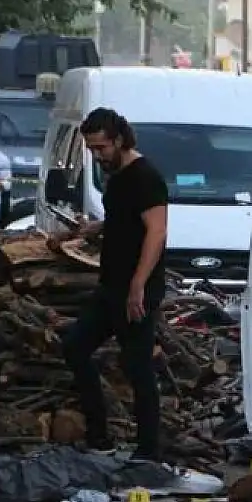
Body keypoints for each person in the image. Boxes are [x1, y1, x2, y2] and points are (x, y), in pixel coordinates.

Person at [60, 108, 169, 463]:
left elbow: (156, 231)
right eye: (91, 149)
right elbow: (124, 220)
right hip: (110, 286)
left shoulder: (146, 176)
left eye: (102, 148)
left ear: (120, 140)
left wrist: (139, 285)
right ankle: (98, 435)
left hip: (135, 289)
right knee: (76, 346)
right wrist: (95, 229)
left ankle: (148, 450)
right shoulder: (117, 178)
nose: (97, 156)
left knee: (137, 367)